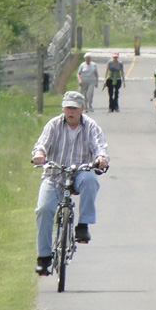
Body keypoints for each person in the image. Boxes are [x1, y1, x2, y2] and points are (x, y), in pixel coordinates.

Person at [31, 91, 109, 275]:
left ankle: (83, 225)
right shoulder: (54, 125)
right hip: (55, 175)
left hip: (80, 172)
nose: (71, 111)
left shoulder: (90, 126)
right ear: (63, 108)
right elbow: (41, 144)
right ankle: (44, 258)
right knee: (43, 209)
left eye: (74, 107)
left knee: (91, 179)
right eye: (68, 107)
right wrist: (39, 154)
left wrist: (101, 158)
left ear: (82, 108)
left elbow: (100, 147)